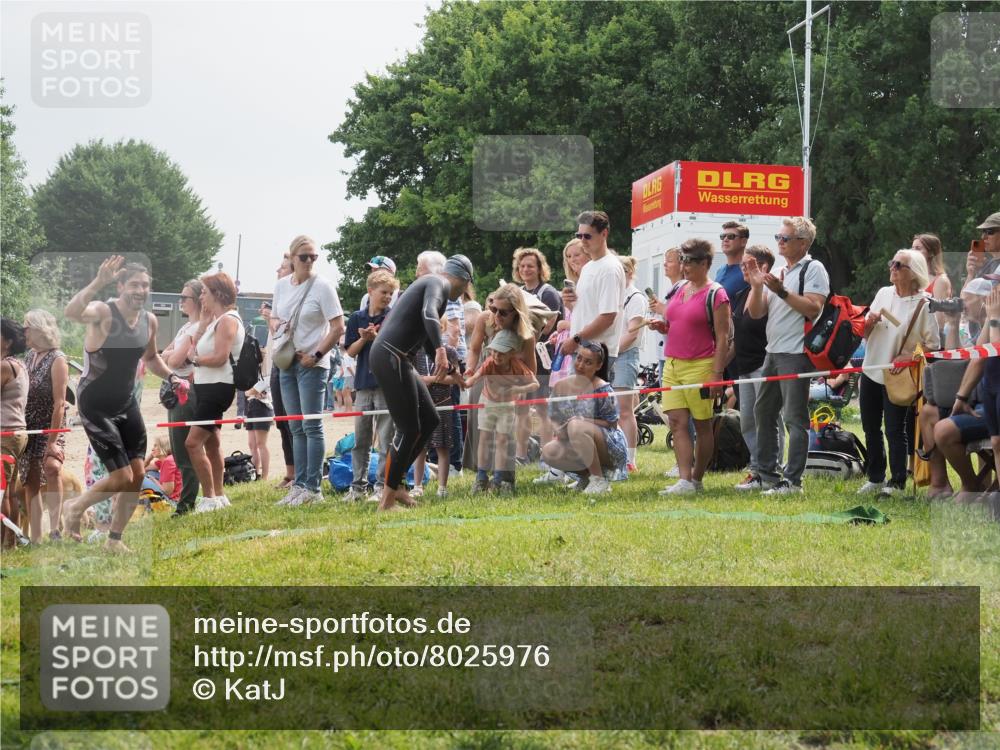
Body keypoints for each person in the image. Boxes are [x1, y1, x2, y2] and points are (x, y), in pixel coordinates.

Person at [62, 257, 186, 553]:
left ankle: (114, 540)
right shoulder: (104, 312)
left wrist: (174, 378)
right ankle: (74, 509)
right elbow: (72, 312)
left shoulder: (149, 320)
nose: (140, 290)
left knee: (139, 475)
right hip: (96, 404)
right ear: (120, 286)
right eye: (133, 284)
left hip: (126, 403)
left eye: (145, 285)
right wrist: (97, 282)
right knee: (120, 477)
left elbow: (152, 358)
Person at [369, 254, 474, 512]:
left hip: (398, 358)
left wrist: (449, 367)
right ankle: (387, 499)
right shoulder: (437, 283)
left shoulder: (432, 286)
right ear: (463, 280)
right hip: (390, 356)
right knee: (408, 428)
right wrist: (440, 350)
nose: (463, 294)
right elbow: (428, 314)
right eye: (466, 288)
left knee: (429, 420)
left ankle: (399, 487)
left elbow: (426, 335)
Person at [742, 217, 831, 494]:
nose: (779, 242)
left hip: (796, 354)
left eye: (785, 238)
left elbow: (813, 308)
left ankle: (793, 482)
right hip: (773, 352)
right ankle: (767, 475)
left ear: (802, 243)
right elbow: (756, 314)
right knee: (763, 412)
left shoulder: (814, 269)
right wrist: (758, 287)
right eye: (778, 237)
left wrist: (780, 291)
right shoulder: (780, 271)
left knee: (794, 418)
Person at [650, 239, 731, 494]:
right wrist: (663, 326)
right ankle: (684, 480)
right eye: (682, 260)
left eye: (690, 261)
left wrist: (717, 373)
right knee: (676, 422)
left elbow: (723, 337)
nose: (684, 266)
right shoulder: (679, 288)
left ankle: (697, 478)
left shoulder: (716, 294)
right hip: (672, 363)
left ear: (705, 263)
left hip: (701, 365)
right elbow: (674, 322)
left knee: (702, 424)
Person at [272, 235, 345, 507]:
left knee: (311, 425)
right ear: (292, 258)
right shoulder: (281, 286)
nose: (309, 262)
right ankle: (299, 485)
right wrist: (278, 327)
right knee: (295, 426)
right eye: (304, 257)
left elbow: (338, 327)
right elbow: (277, 317)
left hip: (312, 365)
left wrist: (316, 355)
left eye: (314, 256)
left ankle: (313, 488)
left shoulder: (323, 286)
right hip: (287, 362)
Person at [858, 249, 939, 494]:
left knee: (895, 429)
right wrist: (868, 323)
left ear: (913, 273)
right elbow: (864, 334)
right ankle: (875, 477)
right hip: (871, 368)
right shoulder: (883, 293)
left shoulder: (925, 304)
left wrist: (908, 355)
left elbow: (933, 344)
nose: (892, 268)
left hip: (897, 376)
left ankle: (897, 481)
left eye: (898, 265)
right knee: (870, 427)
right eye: (891, 263)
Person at [919, 278, 990, 498]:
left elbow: (979, 358)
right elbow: (951, 360)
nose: (962, 302)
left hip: (987, 402)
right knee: (928, 412)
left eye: (967, 298)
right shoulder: (973, 327)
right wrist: (953, 320)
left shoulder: (992, 326)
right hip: (975, 398)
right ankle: (940, 483)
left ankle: (973, 485)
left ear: (985, 300)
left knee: (945, 428)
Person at [185, 272, 244, 512]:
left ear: (218, 294)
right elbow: (195, 346)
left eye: (204, 292)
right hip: (207, 387)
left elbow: (219, 358)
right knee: (212, 443)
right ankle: (219, 496)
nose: (201, 296)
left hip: (217, 388)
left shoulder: (228, 320)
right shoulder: (216, 320)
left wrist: (196, 361)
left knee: (192, 443)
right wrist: (203, 322)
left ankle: (209, 497)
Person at [729, 246, 785, 491]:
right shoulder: (742, 293)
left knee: (769, 421)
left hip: (763, 365)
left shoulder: (767, 293)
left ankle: (772, 470)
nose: (743, 268)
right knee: (748, 422)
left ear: (763, 267)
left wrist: (758, 285)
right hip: (743, 366)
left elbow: (758, 318)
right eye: (742, 265)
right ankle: (757, 469)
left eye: (748, 264)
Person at [342, 268, 399, 502]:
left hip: (386, 385)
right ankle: (357, 487)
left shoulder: (393, 316)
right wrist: (364, 339)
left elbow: (395, 350)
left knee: (386, 439)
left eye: (390, 293)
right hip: (363, 384)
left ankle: (380, 487)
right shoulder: (357, 317)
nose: (387, 297)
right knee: (361, 439)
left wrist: (378, 339)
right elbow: (350, 352)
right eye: (383, 292)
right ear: (370, 291)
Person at [541, 341, 627, 495]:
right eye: (579, 359)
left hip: (609, 445)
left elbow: (612, 423)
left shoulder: (602, 388)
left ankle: (598, 480)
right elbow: (553, 416)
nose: (580, 365)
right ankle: (586, 478)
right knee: (549, 451)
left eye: (588, 362)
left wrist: (582, 422)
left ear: (598, 366)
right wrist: (559, 430)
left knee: (576, 425)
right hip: (578, 437)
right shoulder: (562, 385)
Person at [465, 329, 538, 494]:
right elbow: (474, 378)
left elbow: (535, 384)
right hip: (487, 402)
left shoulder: (517, 366)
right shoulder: (489, 362)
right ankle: (481, 477)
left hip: (507, 406)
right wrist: (465, 380)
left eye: (502, 353)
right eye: (494, 351)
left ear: (512, 352)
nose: (496, 356)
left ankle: (497, 479)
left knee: (502, 441)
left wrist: (518, 387)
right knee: (484, 438)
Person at [18, 310, 69, 542]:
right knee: (30, 480)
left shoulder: (58, 358)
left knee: (52, 467)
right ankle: (36, 538)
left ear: (39, 329)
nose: (23, 332)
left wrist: (52, 440)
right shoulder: (29, 356)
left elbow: (60, 403)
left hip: (50, 424)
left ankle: (56, 529)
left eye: (26, 327)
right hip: (29, 425)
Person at [513, 247, 563, 462]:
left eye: (530, 266)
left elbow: (549, 325)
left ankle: (546, 456)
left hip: (542, 359)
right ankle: (521, 455)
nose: (526, 269)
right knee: (521, 409)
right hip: (521, 358)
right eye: (522, 266)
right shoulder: (517, 291)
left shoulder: (548, 292)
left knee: (542, 409)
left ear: (540, 268)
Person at [560, 211, 626, 376]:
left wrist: (575, 340)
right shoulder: (589, 266)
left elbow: (608, 316)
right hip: (584, 351)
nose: (582, 240)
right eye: (579, 235)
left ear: (604, 234)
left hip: (596, 354)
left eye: (587, 236)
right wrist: (570, 303)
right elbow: (587, 311)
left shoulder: (609, 268)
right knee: (574, 401)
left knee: (588, 402)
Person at [161, 278, 203, 516]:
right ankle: (186, 500)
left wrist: (170, 356)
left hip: (186, 391)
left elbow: (174, 360)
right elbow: (164, 354)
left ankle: (187, 503)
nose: (180, 301)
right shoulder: (184, 328)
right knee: (176, 450)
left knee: (183, 448)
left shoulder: (196, 329)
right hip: (174, 390)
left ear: (196, 300)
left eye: (184, 297)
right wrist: (170, 355)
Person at [412, 321, 465, 498]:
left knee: (442, 446)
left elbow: (456, 379)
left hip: (443, 403)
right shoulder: (415, 352)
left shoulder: (449, 352)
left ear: (440, 329)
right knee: (420, 447)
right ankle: (417, 486)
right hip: (421, 403)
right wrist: (422, 380)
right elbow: (411, 376)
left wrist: (431, 379)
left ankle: (442, 487)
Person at [261, 254, 296, 488]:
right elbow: (275, 339)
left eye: (282, 267)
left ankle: (301, 474)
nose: (277, 270)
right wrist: (269, 321)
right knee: (282, 421)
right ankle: (290, 473)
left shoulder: (294, 298)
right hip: (277, 364)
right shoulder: (279, 296)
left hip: (292, 364)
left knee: (296, 423)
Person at [614, 256, 649, 474]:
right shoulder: (615, 296)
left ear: (628, 273)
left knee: (625, 410)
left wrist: (610, 352)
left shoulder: (635, 298)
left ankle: (630, 459)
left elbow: (632, 332)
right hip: (610, 355)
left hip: (625, 356)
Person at [1, 318, 29, 547]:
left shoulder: (4, 367)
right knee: (9, 492)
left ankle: (5, 543)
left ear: (7, 341)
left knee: (2, 493)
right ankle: (11, 542)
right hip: (16, 432)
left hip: (5, 434)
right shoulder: (17, 364)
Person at [913, 233, 952, 334]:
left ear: (931, 253)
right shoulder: (913, 278)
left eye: (918, 248)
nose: (912, 252)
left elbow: (940, 321)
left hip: (928, 340)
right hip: (911, 336)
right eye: (912, 248)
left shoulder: (940, 281)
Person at [245, 373, 273, 480]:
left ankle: (265, 477)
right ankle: (256, 474)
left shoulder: (266, 368)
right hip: (252, 405)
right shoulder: (254, 368)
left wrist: (250, 391)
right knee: (252, 444)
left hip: (263, 407)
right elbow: (249, 391)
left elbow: (251, 391)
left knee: (261, 443)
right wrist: (251, 392)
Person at [963, 212, 1000, 285]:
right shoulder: (985, 265)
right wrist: (971, 274)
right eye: (983, 231)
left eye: (990, 232)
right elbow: (965, 295)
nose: (983, 237)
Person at [716, 222, 750, 298]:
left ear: (743, 242)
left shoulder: (749, 272)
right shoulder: (720, 270)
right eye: (723, 236)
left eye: (731, 236)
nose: (725, 239)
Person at [145, 436, 182, 502]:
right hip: (173, 497)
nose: (152, 449)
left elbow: (167, 492)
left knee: (143, 478)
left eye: (155, 446)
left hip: (172, 501)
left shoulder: (168, 461)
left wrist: (153, 480)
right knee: (150, 472)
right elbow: (143, 467)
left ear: (163, 447)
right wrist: (150, 456)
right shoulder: (166, 459)